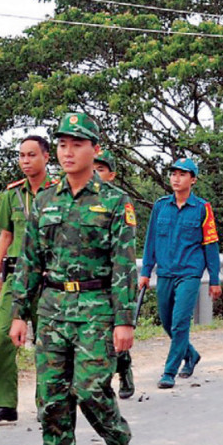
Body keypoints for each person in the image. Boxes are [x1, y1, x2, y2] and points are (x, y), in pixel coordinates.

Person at [10, 112, 135, 445]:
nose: (67, 152)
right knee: (51, 399)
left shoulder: (115, 202)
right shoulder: (44, 200)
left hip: (96, 308)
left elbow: (124, 265)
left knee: (90, 390)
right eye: (62, 144)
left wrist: (124, 320)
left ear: (95, 150)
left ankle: (116, 434)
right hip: (51, 309)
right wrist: (18, 312)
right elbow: (28, 261)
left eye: (77, 144)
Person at [0, 135, 54, 423]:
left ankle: (46, 403)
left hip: (48, 278)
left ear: (46, 157)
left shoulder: (59, 192)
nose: (25, 161)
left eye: (31, 155)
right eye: (21, 155)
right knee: (3, 338)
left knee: (47, 342)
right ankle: (4, 404)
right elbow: (6, 236)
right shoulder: (12, 194)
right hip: (15, 277)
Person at [138, 157, 222, 390]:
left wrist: (214, 280)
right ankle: (191, 354)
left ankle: (169, 372)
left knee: (179, 323)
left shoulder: (203, 209)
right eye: (173, 173)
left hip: (189, 273)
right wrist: (146, 271)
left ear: (193, 180)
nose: (176, 178)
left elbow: (211, 245)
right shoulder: (160, 206)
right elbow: (150, 241)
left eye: (182, 174)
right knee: (166, 321)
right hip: (165, 272)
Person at [93, 149, 135, 400]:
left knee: (115, 338)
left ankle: (124, 370)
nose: (95, 173)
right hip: (87, 287)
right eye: (93, 168)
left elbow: (125, 253)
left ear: (111, 175)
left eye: (101, 169)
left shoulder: (118, 202)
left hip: (112, 284)